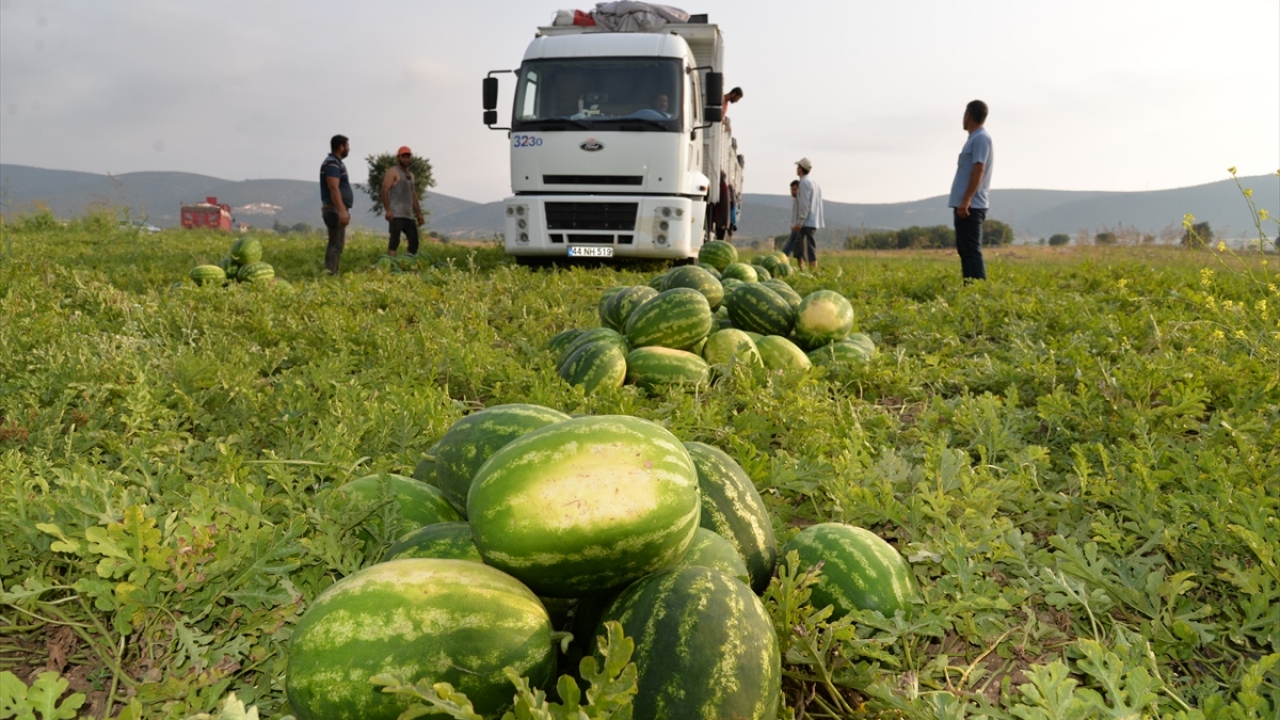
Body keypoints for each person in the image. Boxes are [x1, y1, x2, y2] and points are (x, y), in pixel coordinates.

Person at [948, 100, 994, 282]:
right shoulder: (975, 139)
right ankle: (970, 289)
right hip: (966, 204)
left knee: (971, 251)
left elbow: (978, 169)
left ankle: (977, 291)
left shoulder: (981, 138)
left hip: (971, 206)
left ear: (968, 115)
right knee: (966, 250)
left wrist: (966, 199)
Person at [381, 146, 424, 257]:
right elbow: (384, 190)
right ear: (398, 158)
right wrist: (388, 210)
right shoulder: (393, 171)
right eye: (403, 157)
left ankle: (407, 264)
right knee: (394, 241)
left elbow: (413, 196)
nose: (406, 159)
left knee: (414, 242)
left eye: (408, 157)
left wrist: (419, 213)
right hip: (396, 213)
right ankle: (391, 267)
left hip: (408, 215)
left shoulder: (411, 176)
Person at [320, 134, 354, 275]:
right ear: (341, 147)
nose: (349, 149)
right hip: (334, 209)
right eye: (347, 145)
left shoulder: (334, 162)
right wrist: (341, 210)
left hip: (336, 208)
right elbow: (333, 188)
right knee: (335, 245)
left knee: (337, 244)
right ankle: (330, 274)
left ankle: (332, 272)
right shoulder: (333, 163)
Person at [791, 157, 823, 270]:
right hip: (812, 220)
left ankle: (813, 272)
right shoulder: (814, 183)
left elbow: (805, 204)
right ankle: (803, 271)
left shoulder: (804, 183)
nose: (796, 169)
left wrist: (800, 221)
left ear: (800, 169)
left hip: (806, 221)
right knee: (799, 247)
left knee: (809, 247)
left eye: (797, 167)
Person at [782, 179, 800, 255]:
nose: (792, 192)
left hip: (799, 227)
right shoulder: (795, 200)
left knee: (786, 250)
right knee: (798, 251)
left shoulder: (801, 201)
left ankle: (782, 262)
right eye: (791, 190)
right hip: (795, 227)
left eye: (794, 190)